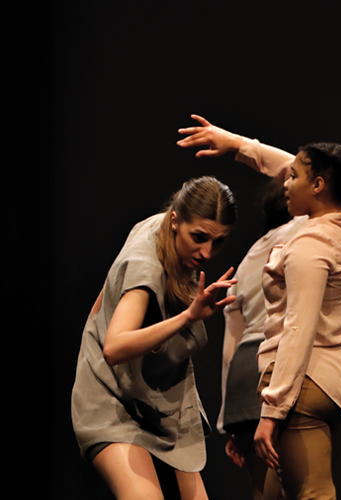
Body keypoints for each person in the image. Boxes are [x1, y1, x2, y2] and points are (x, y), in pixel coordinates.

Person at [178, 115, 341, 499]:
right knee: (287, 490)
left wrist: (267, 411)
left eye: (293, 177)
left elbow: (296, 329)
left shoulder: (305, 245)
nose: (285, 181)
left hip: (299, 379)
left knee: (307, 491)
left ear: (317, 185)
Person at [71, 176, 238, 500]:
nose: (206, 252)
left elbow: (106, 295)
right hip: (111, 399)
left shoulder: (162, 228)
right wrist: (188, 316)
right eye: (199, 237)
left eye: (218, 242)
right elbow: (114, 347)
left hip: (157, 398)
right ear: (175, 220)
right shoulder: (145, 265)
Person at [218, 179, 301, 500]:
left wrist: (229, 419)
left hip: (242, 372)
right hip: (277, 362)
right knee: (303, 485)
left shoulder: (249, 257)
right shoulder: (306, 234)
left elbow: (231, 343)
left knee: (264, 493)